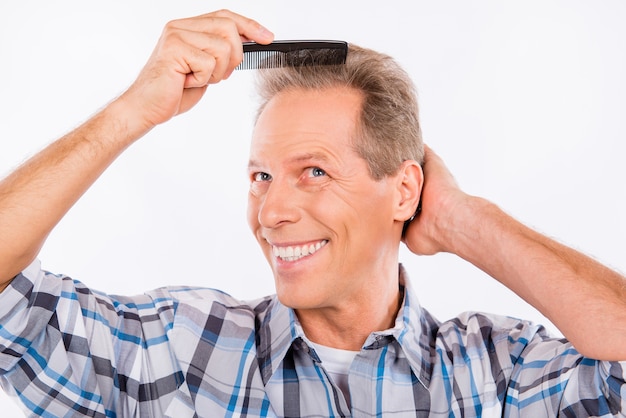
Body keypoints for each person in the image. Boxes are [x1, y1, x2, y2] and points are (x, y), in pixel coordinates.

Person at [0, 9, 625, 417]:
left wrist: (464, 220)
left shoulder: (496, 373)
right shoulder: (178, 349)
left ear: (404, 191)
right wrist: (133, 110)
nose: (271, 211)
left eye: (314, 173)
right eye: (260, 177)